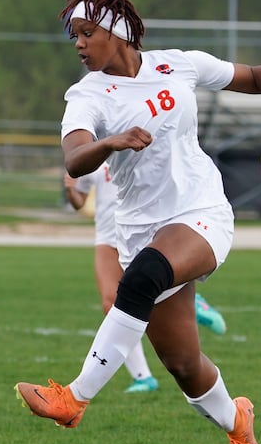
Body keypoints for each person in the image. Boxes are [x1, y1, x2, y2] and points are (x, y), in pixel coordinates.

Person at [16, 0, 261, 444]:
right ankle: (238, 422)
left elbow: (252, 79)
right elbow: (74, 156)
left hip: (202, 214)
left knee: (143, 277)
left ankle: (73, 398)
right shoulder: (86, 95)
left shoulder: (180, 64)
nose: (80, 45)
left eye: (88, 33)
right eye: (75, 38)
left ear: (120, 32)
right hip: (139, 232)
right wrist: (110, 142)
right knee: (184, 365)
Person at [63, 164, 228, 393]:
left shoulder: (137, 139)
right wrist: (71, 189)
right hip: (108, 235)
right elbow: (79, 201)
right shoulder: (90, 150)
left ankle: (190, 300)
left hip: (145, 232)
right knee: (111, 303)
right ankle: (143, 377)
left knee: (146, 290)